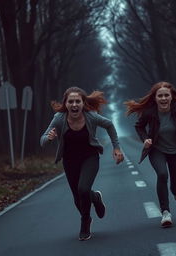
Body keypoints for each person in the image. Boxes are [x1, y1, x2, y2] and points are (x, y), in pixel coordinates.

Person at [40, 87, 124, 241]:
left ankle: (85, 222)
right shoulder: (59, 118)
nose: (74, 105)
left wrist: (116, 147)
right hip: (70, 160)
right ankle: (96, 198)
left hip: (90, 157)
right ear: (65, 104)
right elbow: (43, 140)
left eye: (77, 101)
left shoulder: (91, 116)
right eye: (70, 101)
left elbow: (110, 125)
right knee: (77, 196)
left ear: (83, 103)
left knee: (83, 189)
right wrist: (49, 138)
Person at [125, 81, 176, 227]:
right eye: (160, 96)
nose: (163, 98)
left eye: (166, 95)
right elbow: (139, 126)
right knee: (162, 174)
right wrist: (146, 139)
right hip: (157, 150)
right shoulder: (150, 112)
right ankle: (165, 212)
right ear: (155, 98)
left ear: (171, 97)